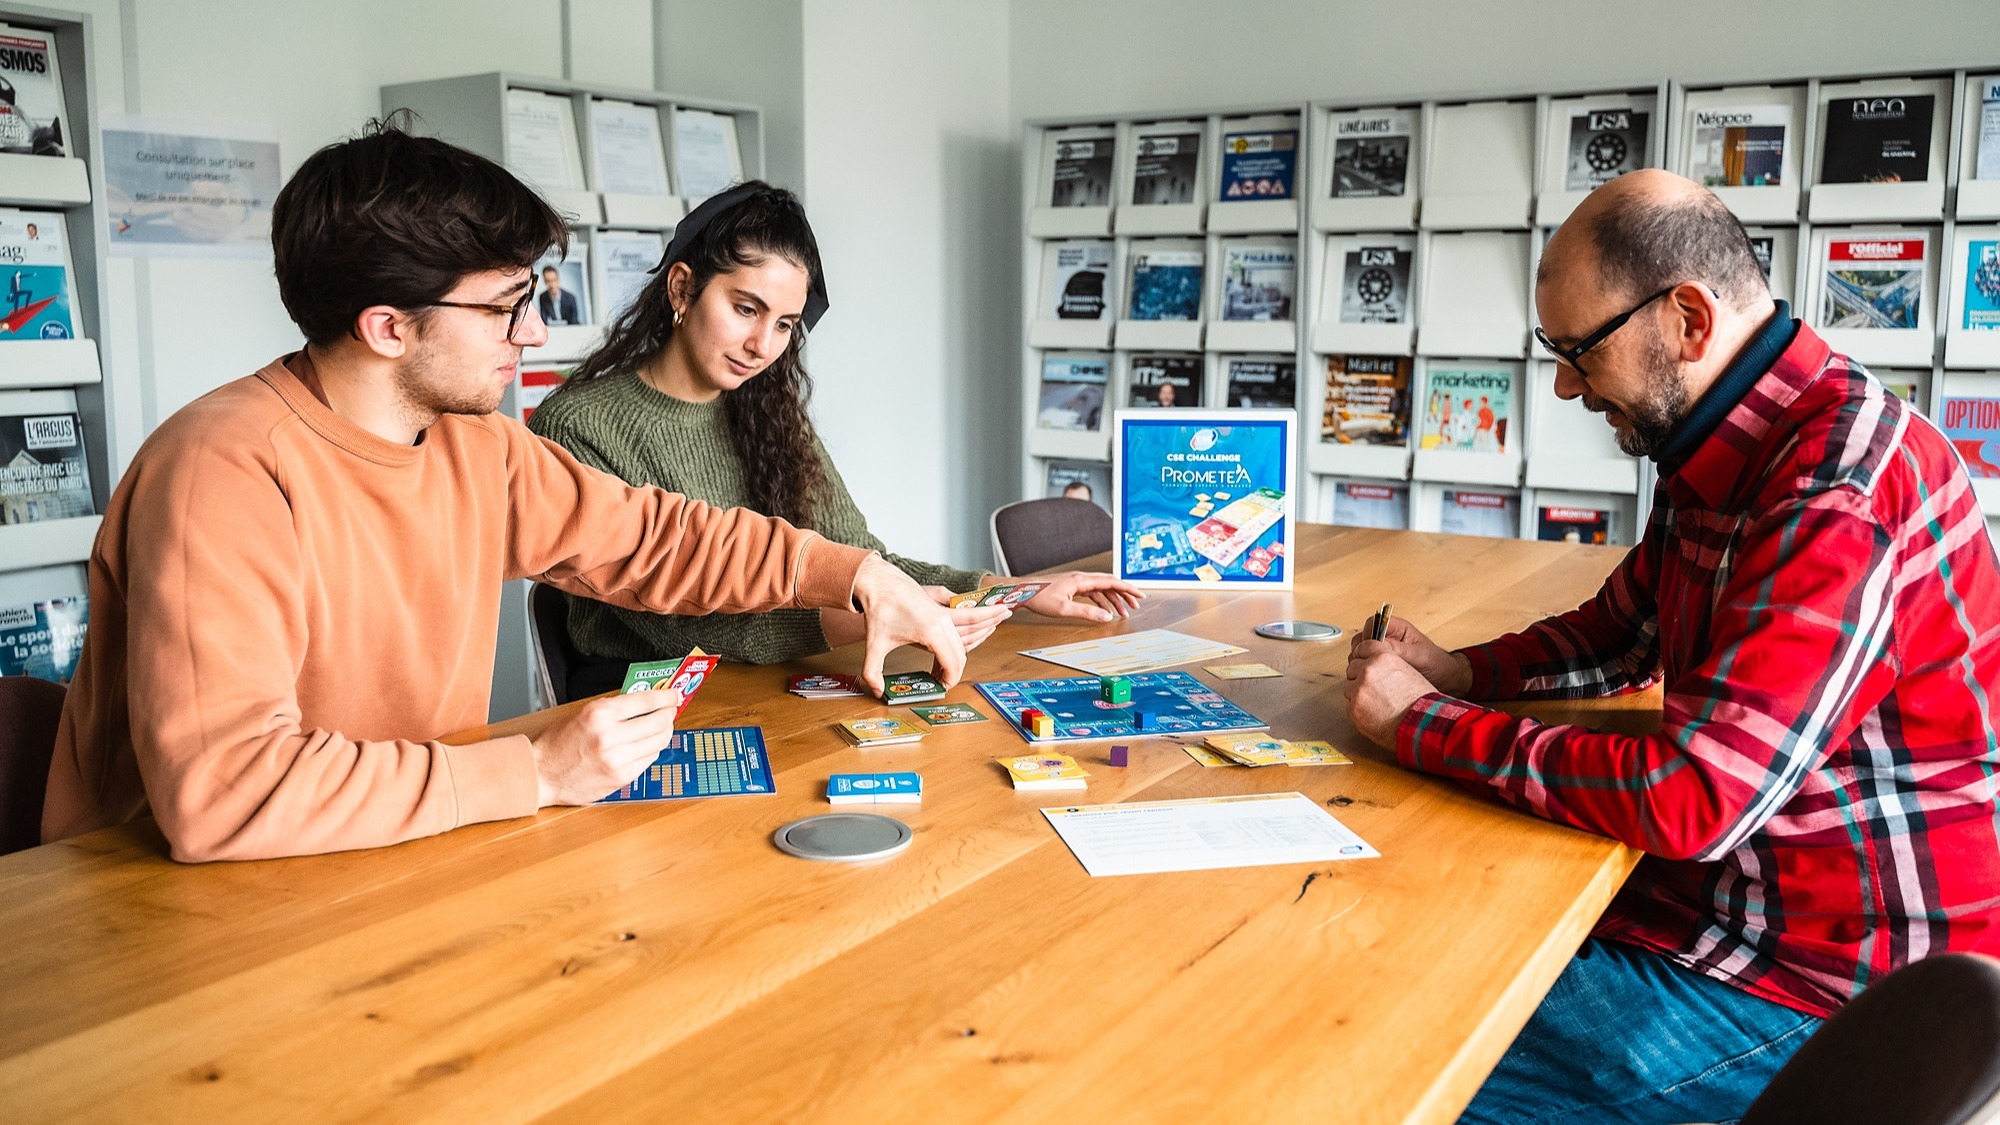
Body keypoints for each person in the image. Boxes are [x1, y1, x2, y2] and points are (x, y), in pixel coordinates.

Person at [43, 121, 964, 864]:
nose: (530, 333)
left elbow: (655, 539)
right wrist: (532, 770)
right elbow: (228, 794)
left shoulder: (474, 444)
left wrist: (852, 572)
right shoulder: (222, 470)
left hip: (397, 856)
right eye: (503, 307)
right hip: (176, 925)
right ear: (389, 326)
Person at [1345, 169, 2000, 1124]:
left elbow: (1693, 799)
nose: (1566, 383)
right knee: (1414, 940)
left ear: (1687, 319)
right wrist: (1459, 672)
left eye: (1578, 352)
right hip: (1730, 907)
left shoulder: (1833, 490)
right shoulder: (1721, 436)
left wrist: (1423, 723)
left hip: (1823, 977)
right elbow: (1625, 634)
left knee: (1385, 1038)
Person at [529, 182, 1141, 697]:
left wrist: (1013, 593)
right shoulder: (578, 424)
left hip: (776, 689)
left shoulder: (765, 412)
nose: (763, 346)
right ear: (683, 289)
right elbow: (685, 628)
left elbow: (862, 555)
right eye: (746, 309)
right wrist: (884, 609)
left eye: (785, 325)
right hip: (651, 710)